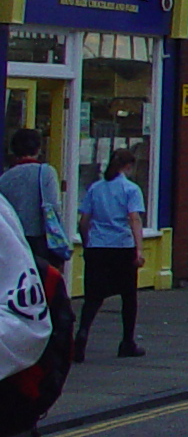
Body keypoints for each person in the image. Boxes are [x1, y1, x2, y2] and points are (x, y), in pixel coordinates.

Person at [74, 147, 147, 360]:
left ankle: (83, 332)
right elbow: (134, 219)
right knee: (128, 296)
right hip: (122, 247)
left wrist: (88, 244)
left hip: (98, 247)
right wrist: (139, 249)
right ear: (128, 166)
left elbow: (84, 222)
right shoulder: (131, 189)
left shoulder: (95, 188)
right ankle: (127, 342)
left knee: (93, 297)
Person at [0, 129, 69, 267]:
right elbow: (53, 207)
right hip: (40, 240)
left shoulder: (5, 178)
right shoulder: (46, 172)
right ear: (38, 149)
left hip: (13, 241)